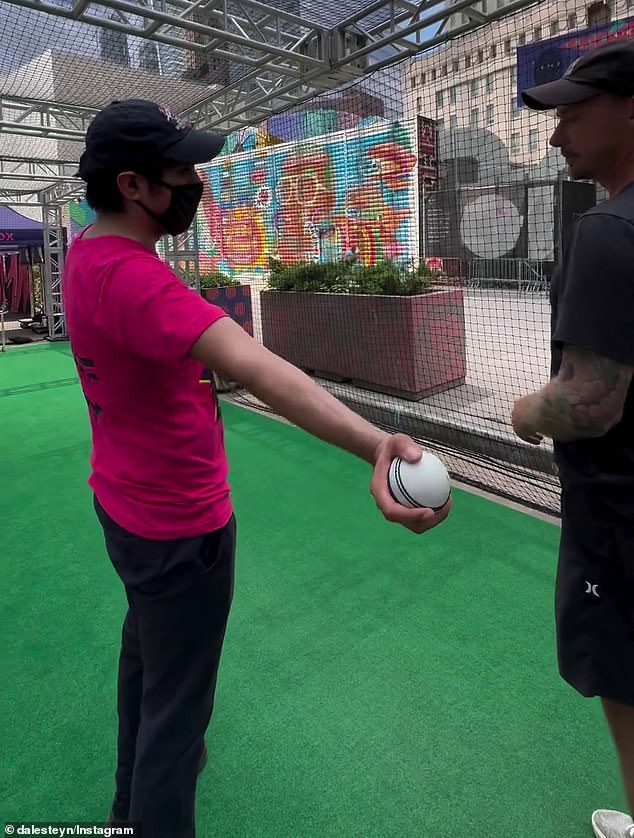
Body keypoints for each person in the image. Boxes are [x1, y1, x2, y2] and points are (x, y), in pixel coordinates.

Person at [62, 99, 452, 838]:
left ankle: (124, 806)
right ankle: (148, 805)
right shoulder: (139, 283)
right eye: (180, 173)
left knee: (146, 663)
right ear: (134, 185)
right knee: (175, 725)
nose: (194, 184)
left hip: (125, 510)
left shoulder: (88, 252)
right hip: (181, 528)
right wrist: (376, 444)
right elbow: (266, 371)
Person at [513, 41, 634, 838]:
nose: (557, 137)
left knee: (628, 684)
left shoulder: (609, 231)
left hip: (619, 519)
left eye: (574, 115)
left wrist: (524, 412)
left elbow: (589, 405)